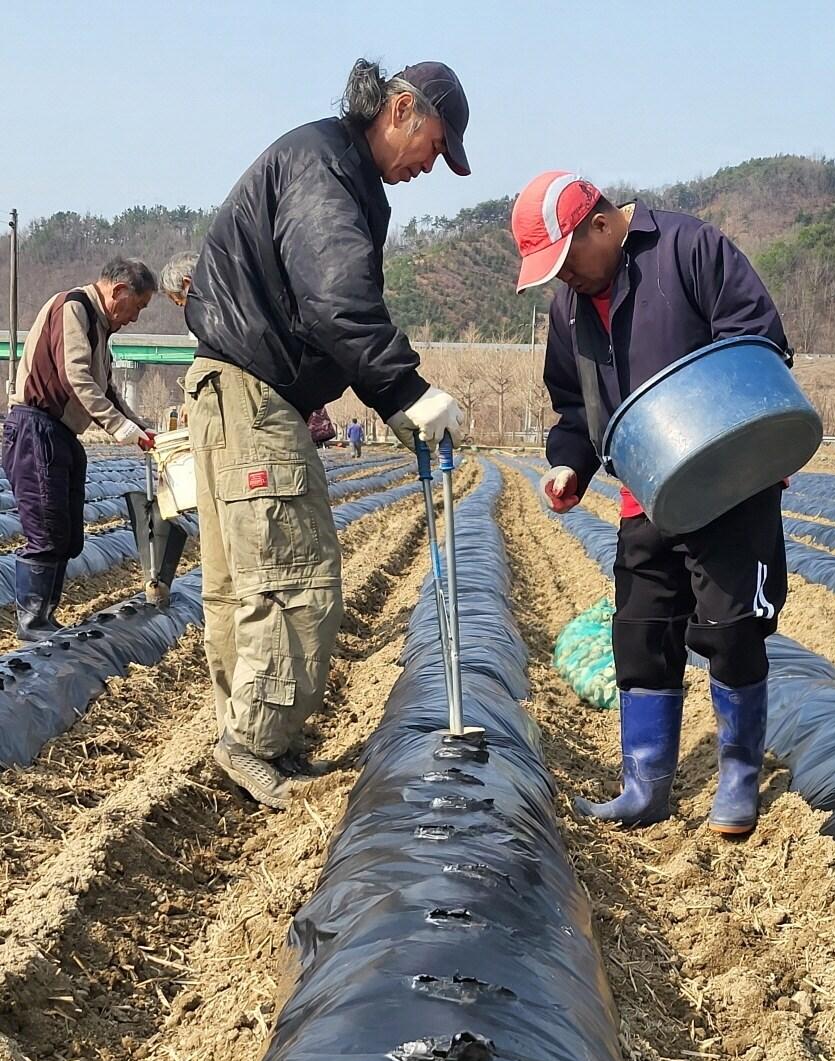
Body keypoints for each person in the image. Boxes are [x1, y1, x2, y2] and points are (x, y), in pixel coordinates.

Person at [182, 58, 468, 809]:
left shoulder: (325, 164)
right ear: (401, 109)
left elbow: (329, 308)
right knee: (295, 578)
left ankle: (250, 737)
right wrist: (406, 390)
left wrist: (391, 397)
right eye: (435, 146)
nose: (429, 166)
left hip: (228, 389)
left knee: (244, 582)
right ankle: (253, 742)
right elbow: (337, 303)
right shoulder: (326, 170)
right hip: (255, 394)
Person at [512, 172, 792, 837]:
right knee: (640, 634)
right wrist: (568, 465)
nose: (565, 278)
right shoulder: (569, 311)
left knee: (730, 630)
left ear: (601, 224)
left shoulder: (690, 250)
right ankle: (645, 784)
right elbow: (574, 409)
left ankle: (738, 775)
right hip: (646, 492)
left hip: (728, 484)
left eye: (566, 259)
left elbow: (758, 341)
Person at [3, 259, 156, 641]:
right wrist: (122, 429)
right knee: (47, 529)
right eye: (137, 307)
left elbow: (106, 390)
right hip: (36, 428)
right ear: (119, 292)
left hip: (62, 434)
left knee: (69, 535)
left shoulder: (101, 330)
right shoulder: (73, 308)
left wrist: (140, 426)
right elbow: (77, 377)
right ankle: (32, 623)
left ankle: (46, 617)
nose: (134, 318)